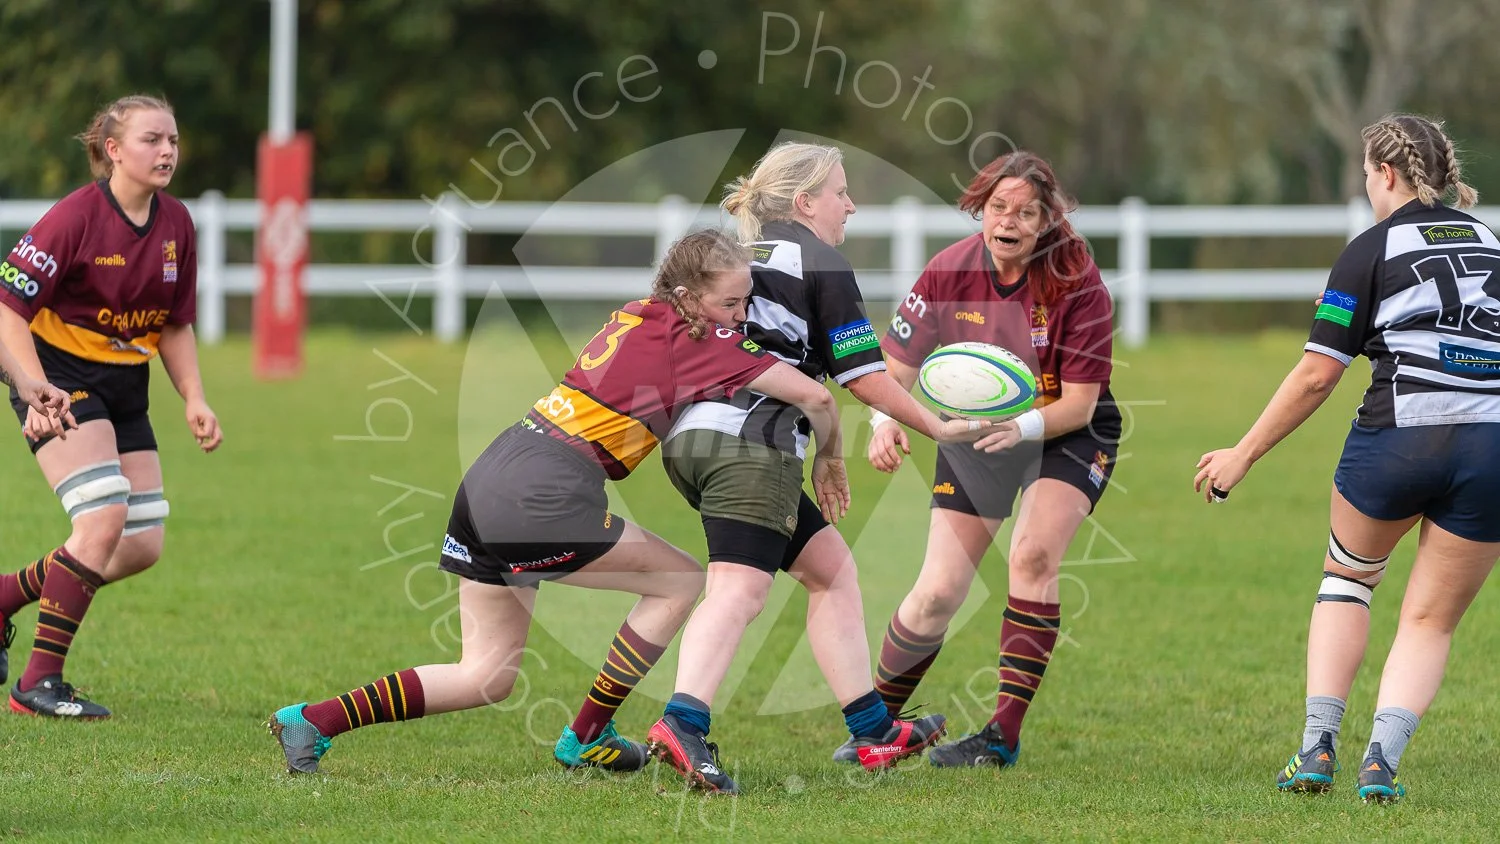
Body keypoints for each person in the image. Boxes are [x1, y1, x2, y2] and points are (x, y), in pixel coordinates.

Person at [267, 229, 850, 776]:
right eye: (729, 304)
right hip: (539, 496)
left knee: (486, 675)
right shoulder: (703, 340)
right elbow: (815, 398)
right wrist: (829, 457)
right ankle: (588, 734)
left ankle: (313, 721)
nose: (740, 318)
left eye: (747, 302)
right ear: (687, 297)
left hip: (491, 476)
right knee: (678, 581)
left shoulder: (635, 315)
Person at [647, 142, 983, 794]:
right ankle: (683, 722)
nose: (850, 204)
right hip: (751, 448)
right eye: (839, 192)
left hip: (691, 441)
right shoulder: (823, 264)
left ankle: (873, 731)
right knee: (740, 590)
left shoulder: (734, 258)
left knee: (831, 570)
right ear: (805, 202)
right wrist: (939, 426)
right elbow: (864, 378)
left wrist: (827, 454)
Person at [1196, 114, 1494, 804]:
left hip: (1400, 438)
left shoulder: (1369, 250)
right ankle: (1381, 764)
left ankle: (1316, 750)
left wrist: (1243, 454)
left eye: (1367, 172)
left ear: (1385, 173)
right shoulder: (1489, 239)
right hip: (1491, 443)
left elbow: (1315, 376)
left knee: (1349, 580)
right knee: (1430, 620)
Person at [857, 150, 1119, 769]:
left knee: (1031, 557)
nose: (1009, 221)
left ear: (1046, 221)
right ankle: (873, 729)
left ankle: (1001, 735)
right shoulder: (948, 271)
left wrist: (1023, 424)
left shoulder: (1077, 278)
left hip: (1067, 434)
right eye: (998, 207)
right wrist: (883, 419)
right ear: (980, 209)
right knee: (936, 593)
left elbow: (1081, 406)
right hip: (977, 435)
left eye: (1026, 212)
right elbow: (894, 368)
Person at [0, 94, 221, 719]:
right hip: (59, 377)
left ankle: (5, 596)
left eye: (173, 139)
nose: (168, 151)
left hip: (127, 388)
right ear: (114, 150)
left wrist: (195, 398)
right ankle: (37, 684)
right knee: (102, 519)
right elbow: (7, 309)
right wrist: (30, 386)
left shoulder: (177, 223)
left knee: (142, 541)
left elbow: (174, 326)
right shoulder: (74, 217)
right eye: (152, 139)